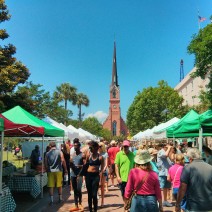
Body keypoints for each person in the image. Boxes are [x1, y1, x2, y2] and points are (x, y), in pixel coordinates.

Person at [175, 148, 212, 212]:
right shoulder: (210, 168)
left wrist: (177, 204)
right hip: (209, 205)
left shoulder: (187, 168)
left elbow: (182, 188)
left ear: (190, 158)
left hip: (193, 206)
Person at [115, 140, 135, 210]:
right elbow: (116, 166)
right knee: (123, 193)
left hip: (131, 178)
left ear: (129, 147)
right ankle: (125, 205)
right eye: (124, 146)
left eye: (127, 146)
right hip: (122, 178)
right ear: (122, 146)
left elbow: (135, 166)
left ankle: (127, 206)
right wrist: (118, 176)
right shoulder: (119, 154)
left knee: (131, 193)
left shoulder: (132, 154)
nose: (125, 148)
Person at [85, 141, 104, 212]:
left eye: (91, 148)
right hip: (88, 176)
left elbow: (101, 170)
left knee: (94, 194)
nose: (90, 149)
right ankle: (90, 210)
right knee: (89, 194)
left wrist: (100, 180)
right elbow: (85, 166)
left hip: (96, 177)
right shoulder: (88, 155)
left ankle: (95, 209)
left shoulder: (100, 157)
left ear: (96, 148)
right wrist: (84, 177)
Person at [69, 139, 84, 211]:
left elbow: (85, 165)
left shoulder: (82, 155)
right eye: (74, 145)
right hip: (73, 174)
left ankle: (80, 203)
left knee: (79, 189)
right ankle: (76, 205)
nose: (75, 147)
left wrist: (80, 166)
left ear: (79, 146)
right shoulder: (73, 155)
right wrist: (71, 163)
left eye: (76, 146)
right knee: (75, 190)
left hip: (79, 174)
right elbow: (70, 165)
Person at [98, 141, 109, 207]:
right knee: (96, 185)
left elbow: (106, 164)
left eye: (100, 146)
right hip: (96, 171)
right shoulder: (96, 153)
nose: (99, 147)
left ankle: (102, 201)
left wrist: (103, 170)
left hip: (103, 171)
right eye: (98, 146)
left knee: (102, 186)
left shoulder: (105, 154)